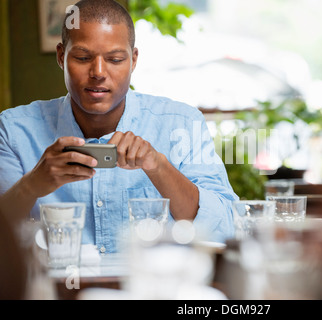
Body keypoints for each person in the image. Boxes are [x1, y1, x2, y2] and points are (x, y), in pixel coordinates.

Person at [0, 0, 238, 253]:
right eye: (82, 57)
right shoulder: (13, 130)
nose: (99, 72)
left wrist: (158, 166)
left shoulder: (182, 123)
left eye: (114, 59)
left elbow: (224, 229)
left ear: (133, 60)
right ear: (61, 56)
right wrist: (32, 184)